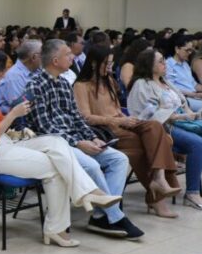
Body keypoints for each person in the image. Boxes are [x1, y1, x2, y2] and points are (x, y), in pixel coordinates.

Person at [0, 49, 121, 247]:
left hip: (1, 144)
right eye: (1, 71)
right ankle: (62, 224)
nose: (4, 75)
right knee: (56, 167)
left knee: (57, 142)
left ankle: (85, 195)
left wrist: (14, 119)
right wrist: (14, 114)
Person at [25, 40, 144, 239]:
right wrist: (78, 143)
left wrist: (92, 137)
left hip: (76, 138)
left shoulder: (64, 83)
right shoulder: (35, 84)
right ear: (55, 60)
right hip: (55, 144)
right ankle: (115, 217)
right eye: (67, 54)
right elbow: (45, 128)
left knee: (119, 159)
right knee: (92, 166)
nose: (72, 57)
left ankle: (100, 215)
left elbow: (77, 118)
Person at [74, 45, 182, 217]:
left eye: (111, 63)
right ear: (93, 63)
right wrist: (117, 120)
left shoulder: (109, 81)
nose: (110, 68)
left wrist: (126, 119)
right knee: (147, 147)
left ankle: (159, 179)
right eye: (107, 64)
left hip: (122, 124)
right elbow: (85, 118)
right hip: (105, 129)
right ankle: (156, 196)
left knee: (155, 126)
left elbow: (117, 109)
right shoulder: (81, 85)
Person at [128, 49, 202, 211]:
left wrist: (191, 114)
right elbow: (149, 114)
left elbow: (183, 103)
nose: (165, 64)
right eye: (160, 61)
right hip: (163, 128)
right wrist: (181, 117)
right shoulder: (142, 85)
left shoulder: (165, 82)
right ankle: (192, 193)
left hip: (182, 122)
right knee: (198, 143)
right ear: (149, 65)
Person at [165, 35, 202, 117]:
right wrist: (195, 95)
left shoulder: (185, 64)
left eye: (191, 50)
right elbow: (171, 88)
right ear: (177, 49)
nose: (190, 53)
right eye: (187, 50)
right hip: (183, 100)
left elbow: (194, 85)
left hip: (194, 97)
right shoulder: (168, 65)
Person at [0, 39, 42, 113]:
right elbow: (21, 106)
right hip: (22, 116)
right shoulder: (14, 76)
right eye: (43, 54)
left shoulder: (38, 69)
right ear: (34, 57)